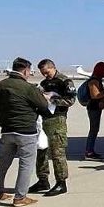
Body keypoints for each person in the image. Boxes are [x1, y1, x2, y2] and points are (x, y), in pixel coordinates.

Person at [0, 58, 48, 207]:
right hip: (26, 131)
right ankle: (20, 197)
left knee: (2, 163)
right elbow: (43, 106)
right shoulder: (28, 88)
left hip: (7, 130)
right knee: (26, 164)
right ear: (26, 70)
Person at [33, 59, 76, 196]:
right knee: (41, 151)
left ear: (53, 68)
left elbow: (70, 100)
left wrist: (52, 99)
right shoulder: (44, 83)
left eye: (47, 72)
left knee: (57, 152)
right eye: (43, 73)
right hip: (43, 119)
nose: (45, 75)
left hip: (57, 119)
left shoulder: (64, 81)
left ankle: (61, 182)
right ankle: (42, 180)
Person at [79, 61, 104, 159]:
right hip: (93, 108)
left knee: (94, 129)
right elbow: (95, 95)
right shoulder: (94, 81)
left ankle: (90, 150)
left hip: (95, 108)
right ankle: (89, 151)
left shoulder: (97, 80)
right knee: (94, 130)